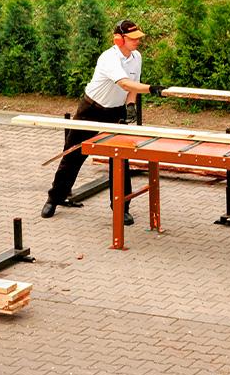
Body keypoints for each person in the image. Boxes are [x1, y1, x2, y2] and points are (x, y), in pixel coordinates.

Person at [41, 19, 164, 224]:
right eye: (132, 38)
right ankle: (54, 198)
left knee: (120, 159)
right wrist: (151, 89)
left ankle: (122, 208)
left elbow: (132, 87)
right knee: (73, 155)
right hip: (91, 109)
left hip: (115, 112)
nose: (137, 41)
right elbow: (125, 83)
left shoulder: (137, 57)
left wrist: (130, 105)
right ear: (119, 40)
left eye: (138, 38)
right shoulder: (108, 58)